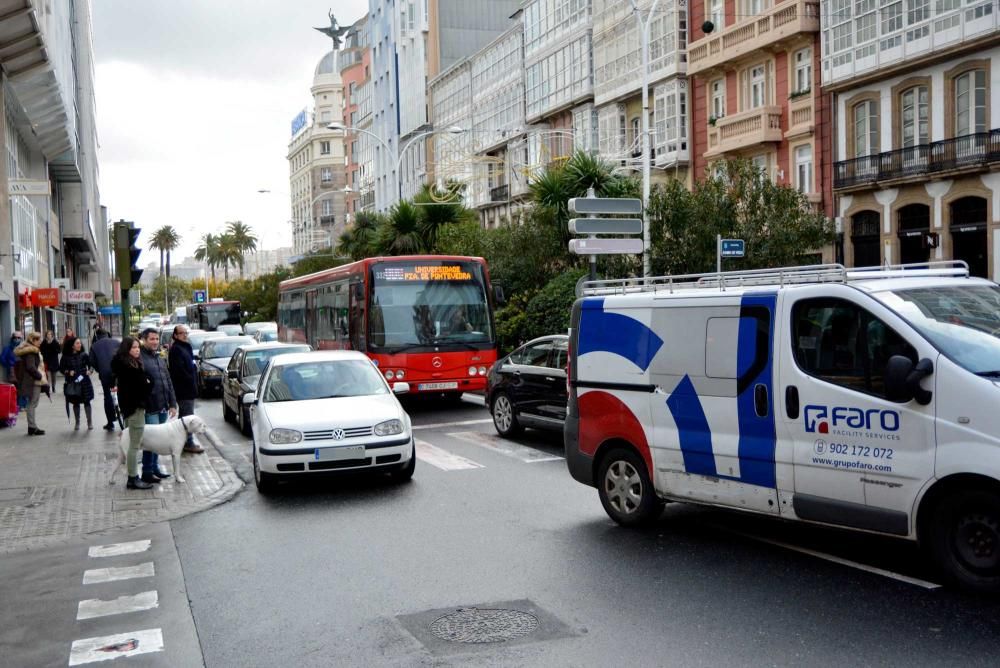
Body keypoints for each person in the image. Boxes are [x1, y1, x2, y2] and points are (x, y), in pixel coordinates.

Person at [111, 337, 154, 490]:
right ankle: (133, 478)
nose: (137, 350)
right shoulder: (130, 368)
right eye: (133, 347)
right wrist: (149, 382)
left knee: (131, 444)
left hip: (130, 408)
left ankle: (133, 476)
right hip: (135, 408)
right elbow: (144, 386)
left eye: (138, 347)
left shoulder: (126, 365)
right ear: (126, 349)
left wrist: (148, 382)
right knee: (134, 446)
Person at [139, 328, 177, 483]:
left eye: (156, 339)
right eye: (151, 339)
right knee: (151, 442)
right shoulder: (140, 358)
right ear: (144, 340)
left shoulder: (159, 358)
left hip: (162, 406)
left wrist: (172, 404)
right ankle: (147, 471)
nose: (155, 342)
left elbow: (168, 381)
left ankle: (155, 468)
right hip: (149, 407)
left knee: (158, 441)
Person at [167, 325, 203, 453]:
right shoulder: (176, 349)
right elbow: (179, 371)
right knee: (187, 417)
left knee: (184, 416)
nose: (185, 335)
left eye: (186, 333)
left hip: (189, 387)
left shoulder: (185, 347)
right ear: (175, 335)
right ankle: (188, 442)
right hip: (184, 389)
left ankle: (183, 442)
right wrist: (190, 379)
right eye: (182, 333)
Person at [13, 332, 48, 435]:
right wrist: (39, 376)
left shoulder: (32, 350)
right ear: (33, 340)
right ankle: (32, 427)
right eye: (38, 340)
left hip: (33, 380)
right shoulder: (31, 352)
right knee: (32, 403)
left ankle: (32, 427)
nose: (40, 341)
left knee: (32, 403)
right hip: (33, 381)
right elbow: (30, 367)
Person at [60, 337, 96, 430]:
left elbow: (91, 364)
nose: (79, 345)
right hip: (73, 382)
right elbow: (61, 368)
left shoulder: (84, 355)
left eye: (80, 343)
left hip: (84, 381)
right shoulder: (65, 357)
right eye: (77, 343)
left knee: (87, 401)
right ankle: (77, 423)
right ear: (72, 346)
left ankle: (90, 422)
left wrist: (90, 370)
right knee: (75, 402)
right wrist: (68, 372)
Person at [90, 329, 120, 431]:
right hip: (118, 373)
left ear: (97, 336)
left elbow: (92, 361)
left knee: (107, 396)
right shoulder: (116, 342)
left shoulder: (94, 346)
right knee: (122, 393)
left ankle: (110, 422)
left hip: (105, 375)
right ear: (107, 334)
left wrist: (100, 369)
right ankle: (124, 416)